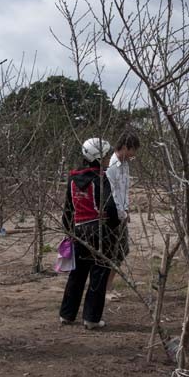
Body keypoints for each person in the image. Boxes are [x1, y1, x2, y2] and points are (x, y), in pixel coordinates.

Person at [59, 138, 120, 329]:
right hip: (99, 232)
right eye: (106, 154)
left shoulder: (72, 178)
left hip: (78, 231)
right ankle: (91, 318)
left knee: (76, 275)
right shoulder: (101, 179)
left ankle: (67, 315)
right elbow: (110, 208)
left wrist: (70, 232)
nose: (109, 157)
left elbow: (68, 209)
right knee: (99, 274)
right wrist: (115, 223)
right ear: (98, 157)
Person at [104, 130, 140, 301]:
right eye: (133, 151)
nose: (133, 155)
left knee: (121, 251)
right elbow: (111, 194)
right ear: (125, 147)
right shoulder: (110, 166)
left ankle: (108, 286)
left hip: (122, 214)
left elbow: (124, 191)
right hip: (112, 216)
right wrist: (120, 213)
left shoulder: (125, 165)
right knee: (112, 252)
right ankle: (105, 288)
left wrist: (127, 210)